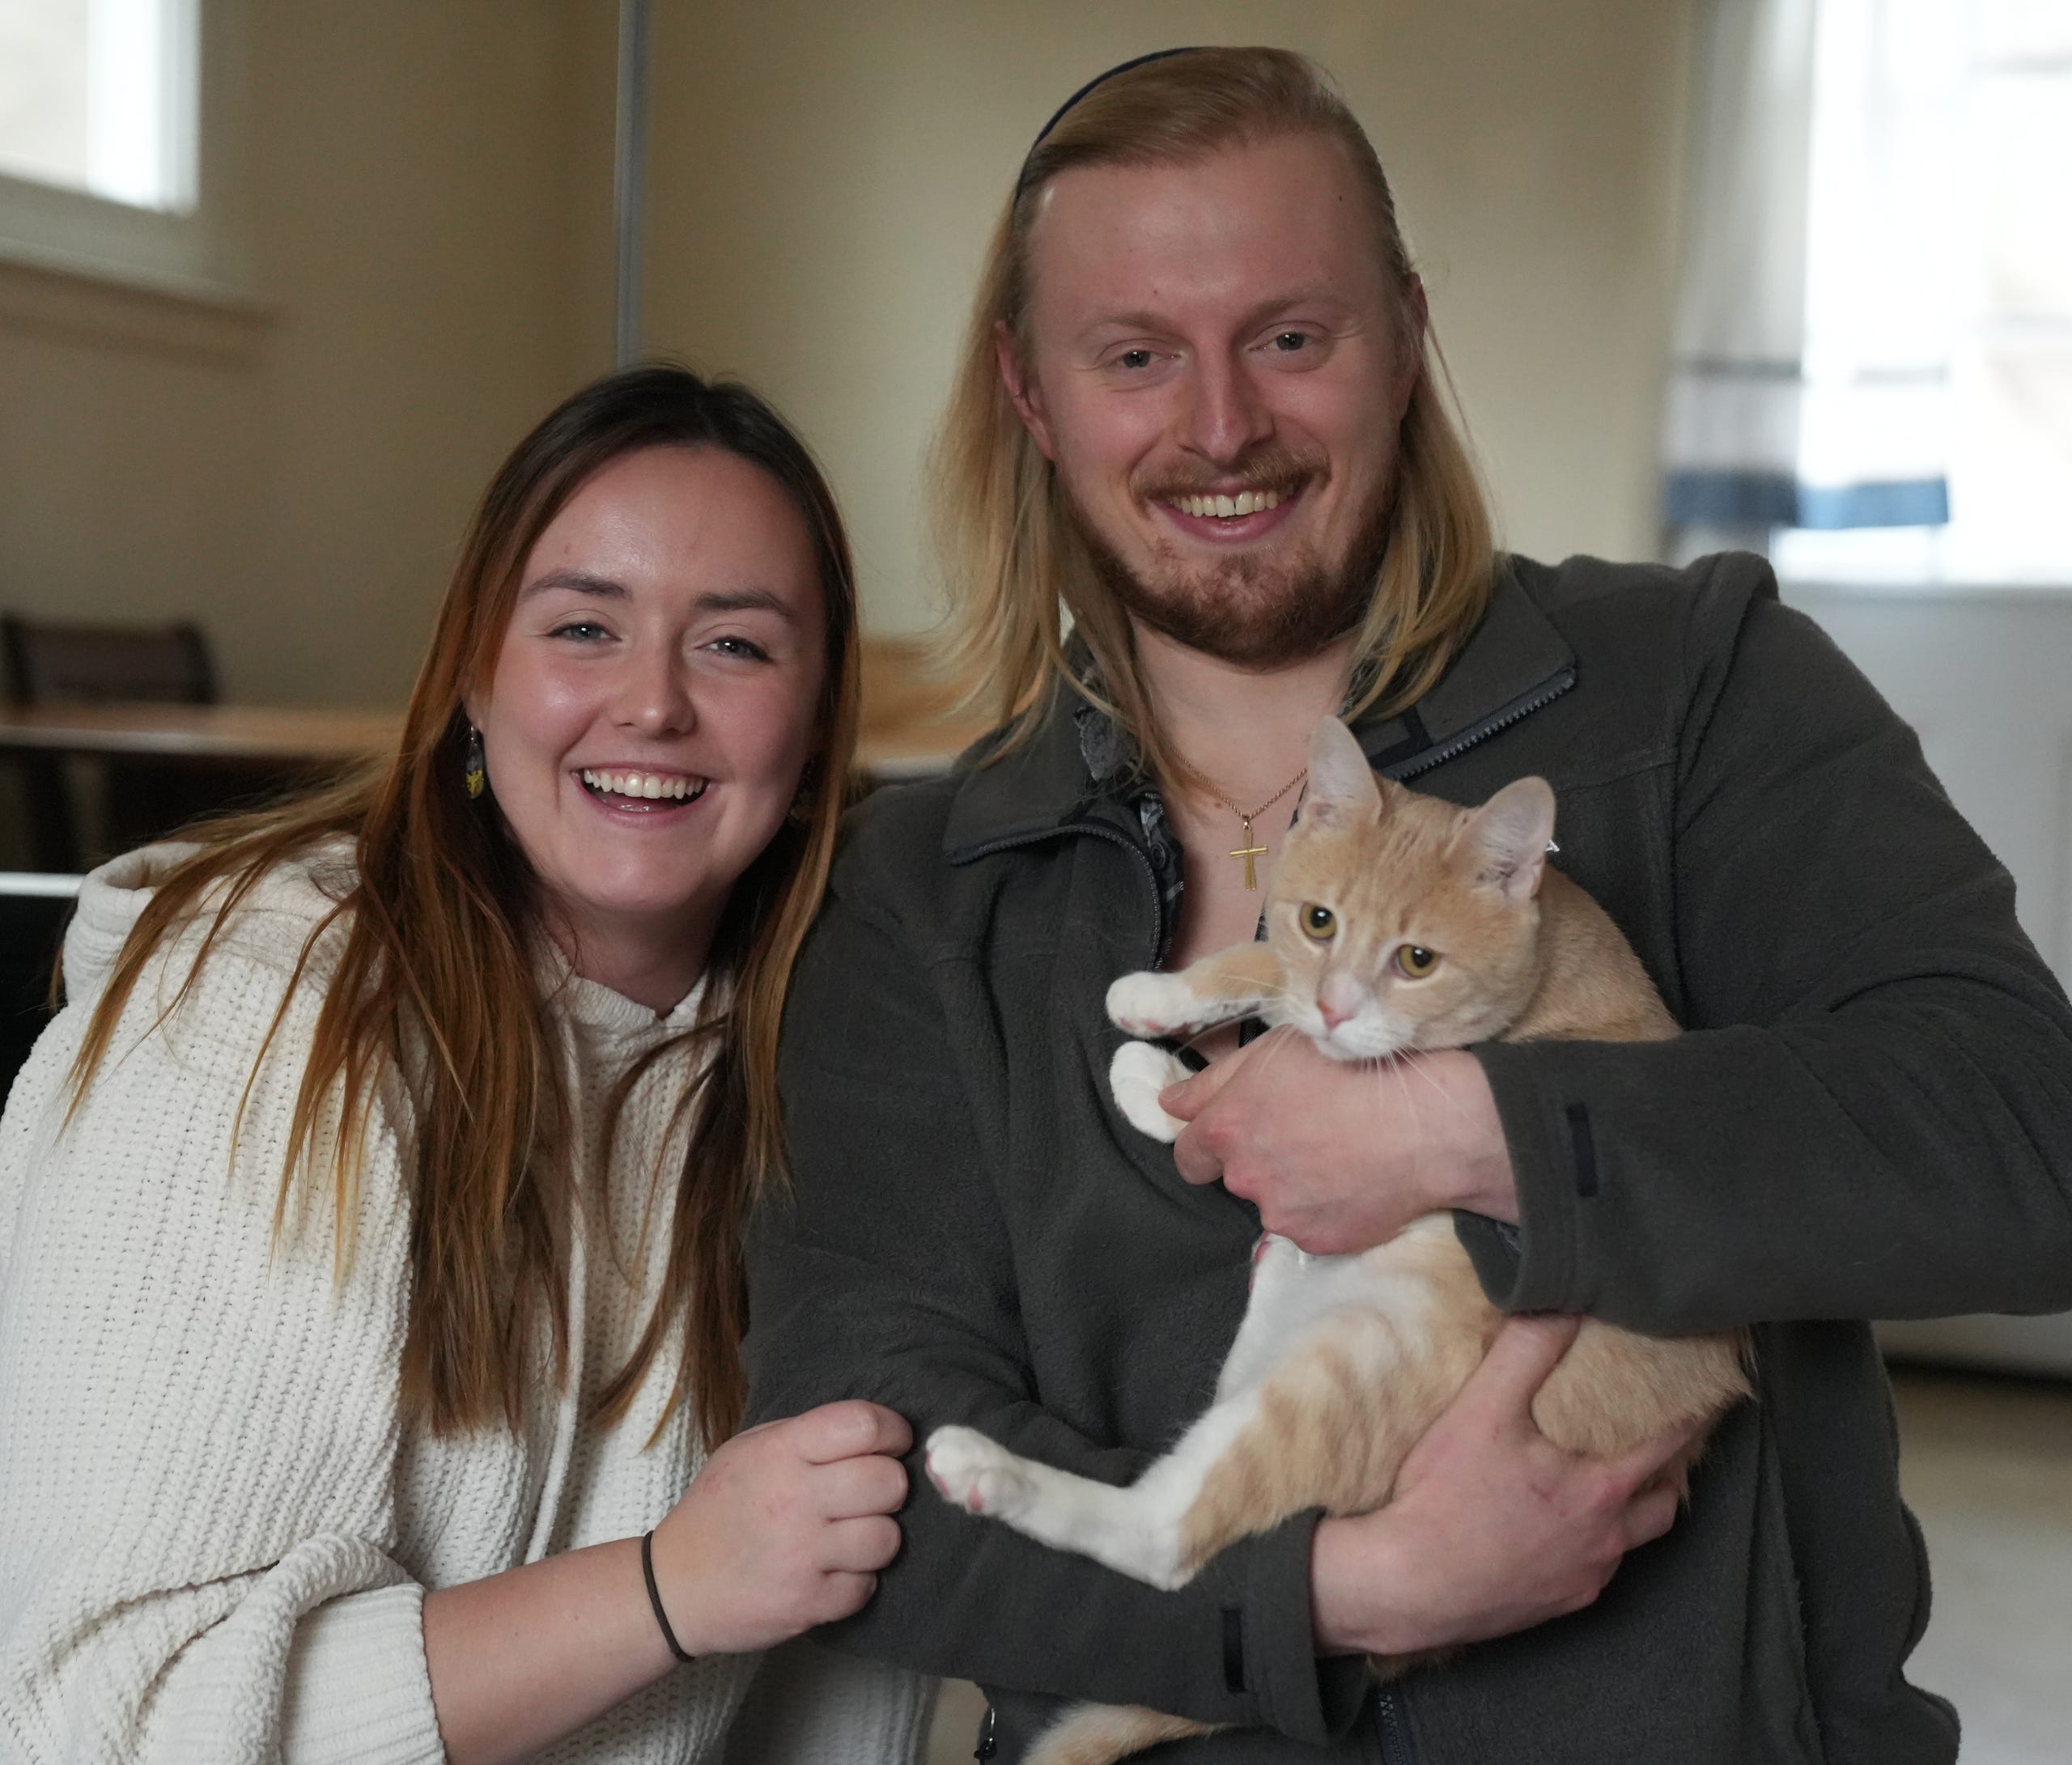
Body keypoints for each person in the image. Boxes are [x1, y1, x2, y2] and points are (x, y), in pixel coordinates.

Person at [743, 47, 2072, 1764]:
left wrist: (1471, 1124)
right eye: (1134, 354)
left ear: (1404, 335)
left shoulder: (1695, 690)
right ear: (1029, 392)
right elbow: (861, 1492)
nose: (1219, 424)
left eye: (1288, 338)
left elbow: (2023, 1139)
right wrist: (1339, 1591)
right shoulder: (921, 889)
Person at [0, 366, 932, 1763]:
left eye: (735, 646)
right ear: (473, 685)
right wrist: (667, 1589)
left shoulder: (840, 1054)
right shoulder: (250, 1032)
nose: (655, 703)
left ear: (815, 739)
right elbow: (103, 1725)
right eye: (583, 626)